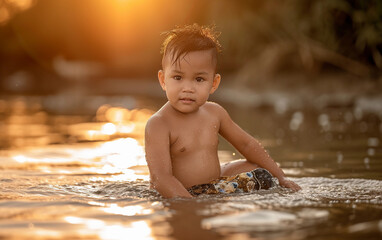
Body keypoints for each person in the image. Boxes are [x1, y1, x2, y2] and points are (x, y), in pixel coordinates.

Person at [145, 24, 301, 198]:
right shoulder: (159, 124)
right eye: (178, 77)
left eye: (198, 79)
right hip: (182, 192)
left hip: (214, 184)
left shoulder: (214, 112)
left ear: (214, 83)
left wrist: (281, 177)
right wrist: (189, 204)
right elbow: (161, 178)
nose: (187, 88)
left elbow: (247, 144)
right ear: (163, 80)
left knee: (262, 173)